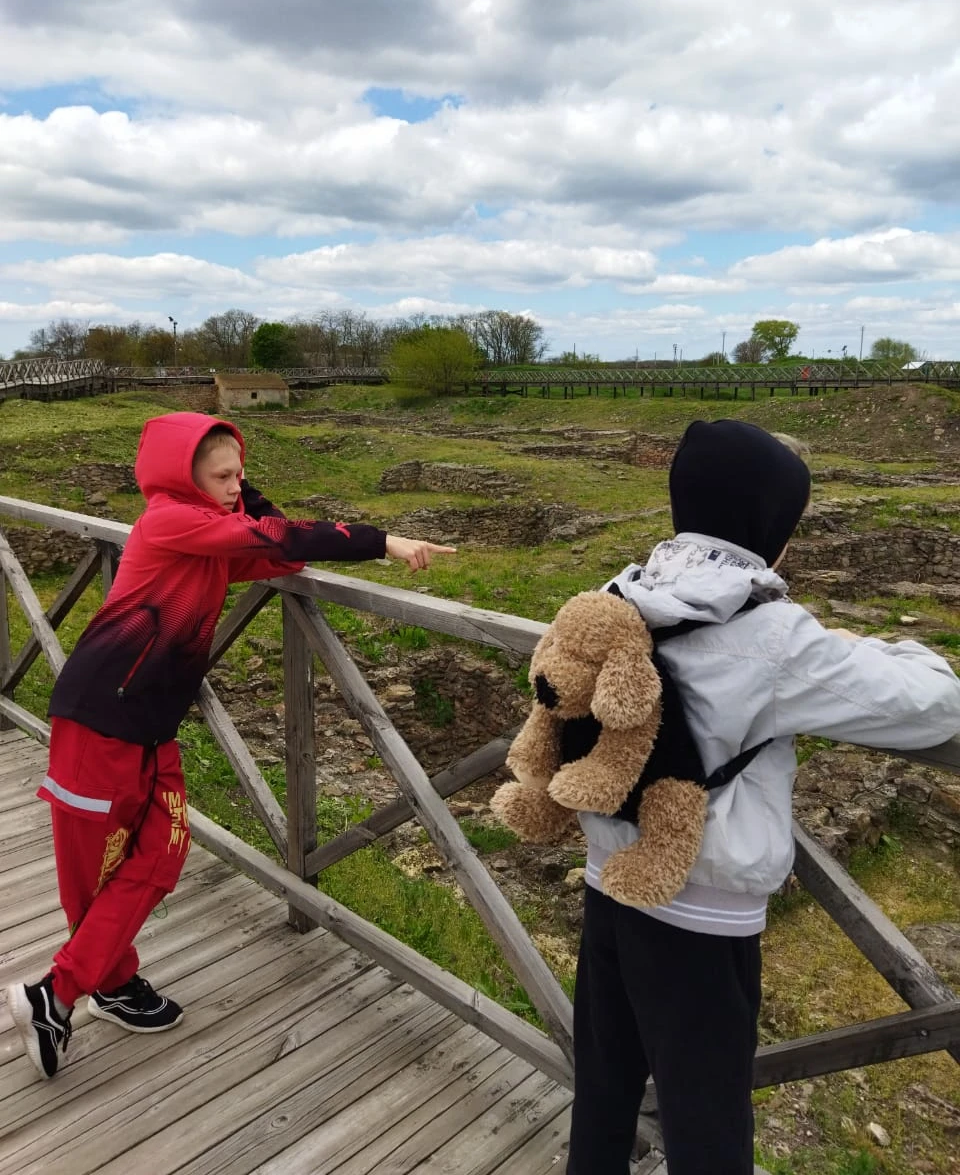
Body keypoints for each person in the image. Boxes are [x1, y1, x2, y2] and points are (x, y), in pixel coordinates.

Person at [4, 411, 455, 1080]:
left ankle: (67, 990)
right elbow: (279, 536)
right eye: (222, 476)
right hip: (98, 722)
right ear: (184, 479)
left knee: (164, 852)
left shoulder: (208, 536)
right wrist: (384, 541)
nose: (236, 487)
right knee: (94, 873)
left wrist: (240, 483)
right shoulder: (169, 521)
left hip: (151, 726)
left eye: (240, 475)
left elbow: (284, 553)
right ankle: (93, 987)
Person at [566, 419, 960, 1175]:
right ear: (769, 525)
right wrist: (875, 644)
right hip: (702, 920)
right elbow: (936, 704)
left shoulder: (620, 592)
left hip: (608, 884)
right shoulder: (774, 634)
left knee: (605, 1089)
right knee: (707, 1120)